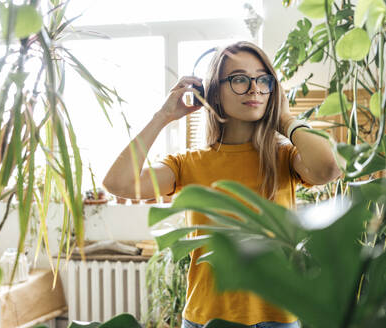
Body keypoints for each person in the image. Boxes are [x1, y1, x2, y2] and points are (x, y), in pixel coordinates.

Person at [103, 41, 341, 328]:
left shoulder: (285, 157)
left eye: (263, 80)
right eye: (240, 79)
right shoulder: (188, 163)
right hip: (206, 318)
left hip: (277, 319)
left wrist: (286, 119)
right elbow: (118, 183)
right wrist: (163, 116)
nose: (254, 88)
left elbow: (328, 168)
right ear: (214, 91)